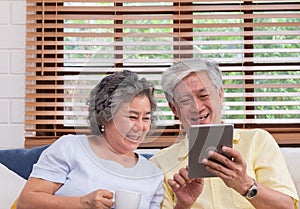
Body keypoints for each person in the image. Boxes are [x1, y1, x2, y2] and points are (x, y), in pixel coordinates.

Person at [150, 58, 299, 209]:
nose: (197, 107)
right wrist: (183, 205)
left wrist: (245, 185)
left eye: (203, 96)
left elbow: (287, 207)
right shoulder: (159, 163)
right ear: (174, 109)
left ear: (220, 95)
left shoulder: (258, 140)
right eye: (185, 100)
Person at [17, 70, 164, 209]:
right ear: (106, 116)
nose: (140, 127)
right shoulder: (70, 148)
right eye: (132, 117)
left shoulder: (153, 175)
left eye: (146, 118)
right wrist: (83, 203)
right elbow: (26, 202)